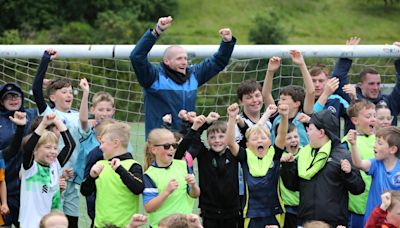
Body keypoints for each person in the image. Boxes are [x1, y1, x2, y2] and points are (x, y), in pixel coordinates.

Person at [130, 16, 236, 137]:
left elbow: (217, 62)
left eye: (185, 58)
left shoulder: (193, 75)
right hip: (160, 143)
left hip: (186, 142)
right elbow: (136, 57)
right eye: (179, 58)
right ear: (166, 61)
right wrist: (157, 31)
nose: (184, 62)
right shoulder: (153, 77)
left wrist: (227, 43)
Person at [280, 109, 365, 227]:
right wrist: (288, 167)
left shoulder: (342, 155)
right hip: (306, 222)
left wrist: (349, 174)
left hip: (333, 223)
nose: (307, 133)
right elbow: (293, 186)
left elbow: (359, 188)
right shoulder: (305, 154)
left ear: (321, 132)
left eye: (310, 129)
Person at [32, 48, 86, 227]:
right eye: (64, 91)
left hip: (73, 176)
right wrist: (46, 60)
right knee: (53, 220)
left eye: (71, 91)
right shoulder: (49, 112)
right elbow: (36, 89)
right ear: (53, 97)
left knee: (72, 221)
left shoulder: (78, 115)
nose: (69, 94)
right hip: (55, 174)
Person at [226, 102, 289, 227]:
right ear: (248, 144)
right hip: (252, 212)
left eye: (263, 138)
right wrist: (232, 118)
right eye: (254, 139)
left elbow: (282, 134)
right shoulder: (245, 156)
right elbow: (230, 142)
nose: (259, 140)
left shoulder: (274, 154)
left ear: (270, 141)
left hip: (274, 210)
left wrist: (284, 116)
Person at [174, 113, 240, 228]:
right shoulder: (203, 154)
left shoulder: (235, 153)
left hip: (232, 212)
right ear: (208, 140)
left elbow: (249, 135)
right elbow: (180, 152)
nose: (217, 140)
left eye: (221, 136)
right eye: (212, 137)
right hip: (209, 212)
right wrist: (200, 126)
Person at [80, 121, 144, 228]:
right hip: (99, 225)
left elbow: (138, 188)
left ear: (116, 143)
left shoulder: (133, 165)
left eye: (103, 143)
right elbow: (85, 191)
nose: (100, 147)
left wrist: (120, 170)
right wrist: (91, 177)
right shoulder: (100, 165)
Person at [18, 113, 75, 228]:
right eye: (48, 147)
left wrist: (57, 121)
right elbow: (28, 149)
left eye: (55, 148)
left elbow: (70, 145)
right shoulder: (30, 168)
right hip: (31, 224)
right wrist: (44, 123)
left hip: (51, 223)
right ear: (36, 150)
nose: (53, 151)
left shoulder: (54, 165)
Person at [332, 39, 400, 125]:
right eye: (371, 84)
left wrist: (398, 59)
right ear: (360, 85)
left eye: (378, 84)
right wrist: (347, 58)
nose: (375, 88)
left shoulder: (389, 102)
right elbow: (337, 80)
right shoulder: (351, 99)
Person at [143, 128, 200, 227]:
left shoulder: (183, 165)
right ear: (154, 149)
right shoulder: (149, 175)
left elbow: (195, 195)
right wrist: (166, 192)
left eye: (174, 145)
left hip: (184, 225)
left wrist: (193, 185)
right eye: (166, 146)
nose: (172, 149)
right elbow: (149, 207)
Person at [0, 82, 38, 227]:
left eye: (16, 96)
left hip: (28, 188)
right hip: (4, 187)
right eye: (8, 97)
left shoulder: (33, 115)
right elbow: (10, 151)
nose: (13, 99)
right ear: (1, 101)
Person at [347, 126, 400, 225]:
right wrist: (353, 145)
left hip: (393, 223)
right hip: (373, 221)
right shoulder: (376, 163)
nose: (374, 145)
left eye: (379, 143)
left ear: (392, 149)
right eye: (375, 141)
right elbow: (359, 164)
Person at [262, 51, 315, 146]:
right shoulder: (276, 116)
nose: (279, 103)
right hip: (280, 159)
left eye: (284, 99)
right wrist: (270, 71)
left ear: (296, 103)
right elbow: (266, 94)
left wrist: (302, 64)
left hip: (301, 160)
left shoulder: (304, 116)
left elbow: (311, 92)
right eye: (280, 99)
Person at [341, 99, 376, 227]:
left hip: (378, 203)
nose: (373, 119)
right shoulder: (346, 143)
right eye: (368, 116)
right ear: (355, 120)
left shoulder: (380, 140)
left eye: (374, 116)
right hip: (356, 207)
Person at [309, 64, 352, 135]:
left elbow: (355, 115)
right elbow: (311, 118)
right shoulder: (304, 99)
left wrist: (354, 98)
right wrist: (325, 94)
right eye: (313, 81)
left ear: (328, 81)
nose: (317, 84)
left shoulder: (336, 99)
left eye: (321, 81)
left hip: (333, 144)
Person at [279, 124, 300, 228]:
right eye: (288, 138)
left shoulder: (306, 153)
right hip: (288, 207)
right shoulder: (280, 158)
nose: (293, 140)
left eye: (296, 136)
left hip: (304, 205)